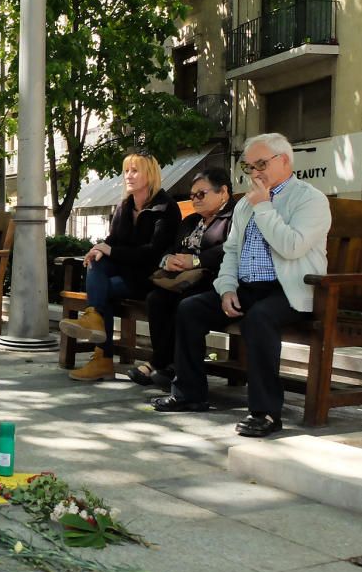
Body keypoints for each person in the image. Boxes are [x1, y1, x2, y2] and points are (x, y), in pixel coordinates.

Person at [152, 133, 331, 437]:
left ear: (284, 160)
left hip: (290, 289)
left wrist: (264, 207)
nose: (254, 173)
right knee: (190, 308)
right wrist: (227, 289)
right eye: (249, 167)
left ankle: (265, 413)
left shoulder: (309, 199)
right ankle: (189, 393)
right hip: (248, 288)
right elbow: (231, 252)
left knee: (258, 319)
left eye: (261, 164)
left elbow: (292, 246)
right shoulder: (245, 205)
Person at [59, 152, 181, 380]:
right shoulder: (124, 206)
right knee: (97, 262)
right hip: (124, 275)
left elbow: (153, 254)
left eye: (135, 171)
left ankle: (102, 357)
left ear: (150, 175)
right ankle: (94, 320)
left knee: (100, 290)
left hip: (150, 279)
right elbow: (113, 240)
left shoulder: (166, 208)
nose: (128, 176)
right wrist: (99, 248)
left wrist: (111, 251)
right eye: (126, 171)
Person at [127, 168, 236, 390]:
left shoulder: (234, 218)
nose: (195, 200)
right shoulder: (191, 221)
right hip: (183, 280)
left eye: (201, 194)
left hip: (215, 280)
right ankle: (169, 365)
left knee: (185, 302)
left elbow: (230, 250)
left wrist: (195, 261)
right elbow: (172, 247)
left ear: (223, 192)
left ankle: (161, 363)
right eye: (192, 195)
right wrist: (167, 259)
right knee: (156, 299)